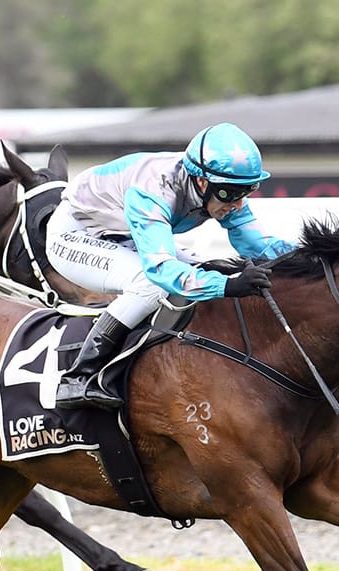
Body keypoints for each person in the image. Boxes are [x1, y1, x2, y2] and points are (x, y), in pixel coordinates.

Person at [44, 122, 296, 410]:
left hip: (124, 231)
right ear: (202, 182)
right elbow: (161, 269)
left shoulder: (221, 187)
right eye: (229, 193)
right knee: (149, 284)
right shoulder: (155, 188)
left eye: (247, 190)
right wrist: (229, 286)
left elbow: (257, 244)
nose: (238, 204)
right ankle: (78, 377)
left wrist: (313, 256)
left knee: (209, 267)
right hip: (75, 235)